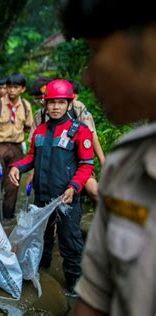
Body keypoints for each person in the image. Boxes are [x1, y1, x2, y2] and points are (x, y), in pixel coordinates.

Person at [61, 0, 156, 314]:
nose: (88, 77)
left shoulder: (82, 120)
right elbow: (96, 295)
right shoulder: (125, 166)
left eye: (95, 49)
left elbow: (86, 152)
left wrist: (78, 182)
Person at [8, 79, 95, 297]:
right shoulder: (39, 131)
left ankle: (75, 288)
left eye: (60, 102)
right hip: (42, 198)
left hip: (67, 199)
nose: (55, 107)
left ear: (68, 103)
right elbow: (31, 158)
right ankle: (43, 275)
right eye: (51, 103)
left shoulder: (79, 131)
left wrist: (74, 187)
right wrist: (16, 167)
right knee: (41, 239)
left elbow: (86, 165)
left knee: (70, 242)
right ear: (45, 105)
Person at [27, 77, 104, 202]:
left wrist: (103, 160)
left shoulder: (77, 107)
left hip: (77, 162)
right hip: (54, 166)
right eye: (38, 98)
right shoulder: (39, 116)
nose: (41, 100)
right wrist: (32, 173)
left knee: (94, 191)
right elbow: (34, 149)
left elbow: (91, 135)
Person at [0, 73, 33, 218]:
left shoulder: (25, 106)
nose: (11, 90)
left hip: (17, 147)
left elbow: (29, 128)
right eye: (9, 87)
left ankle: (8, 219)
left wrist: (26, 146)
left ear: (22, 89)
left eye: (16, 87)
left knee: (13, 185)